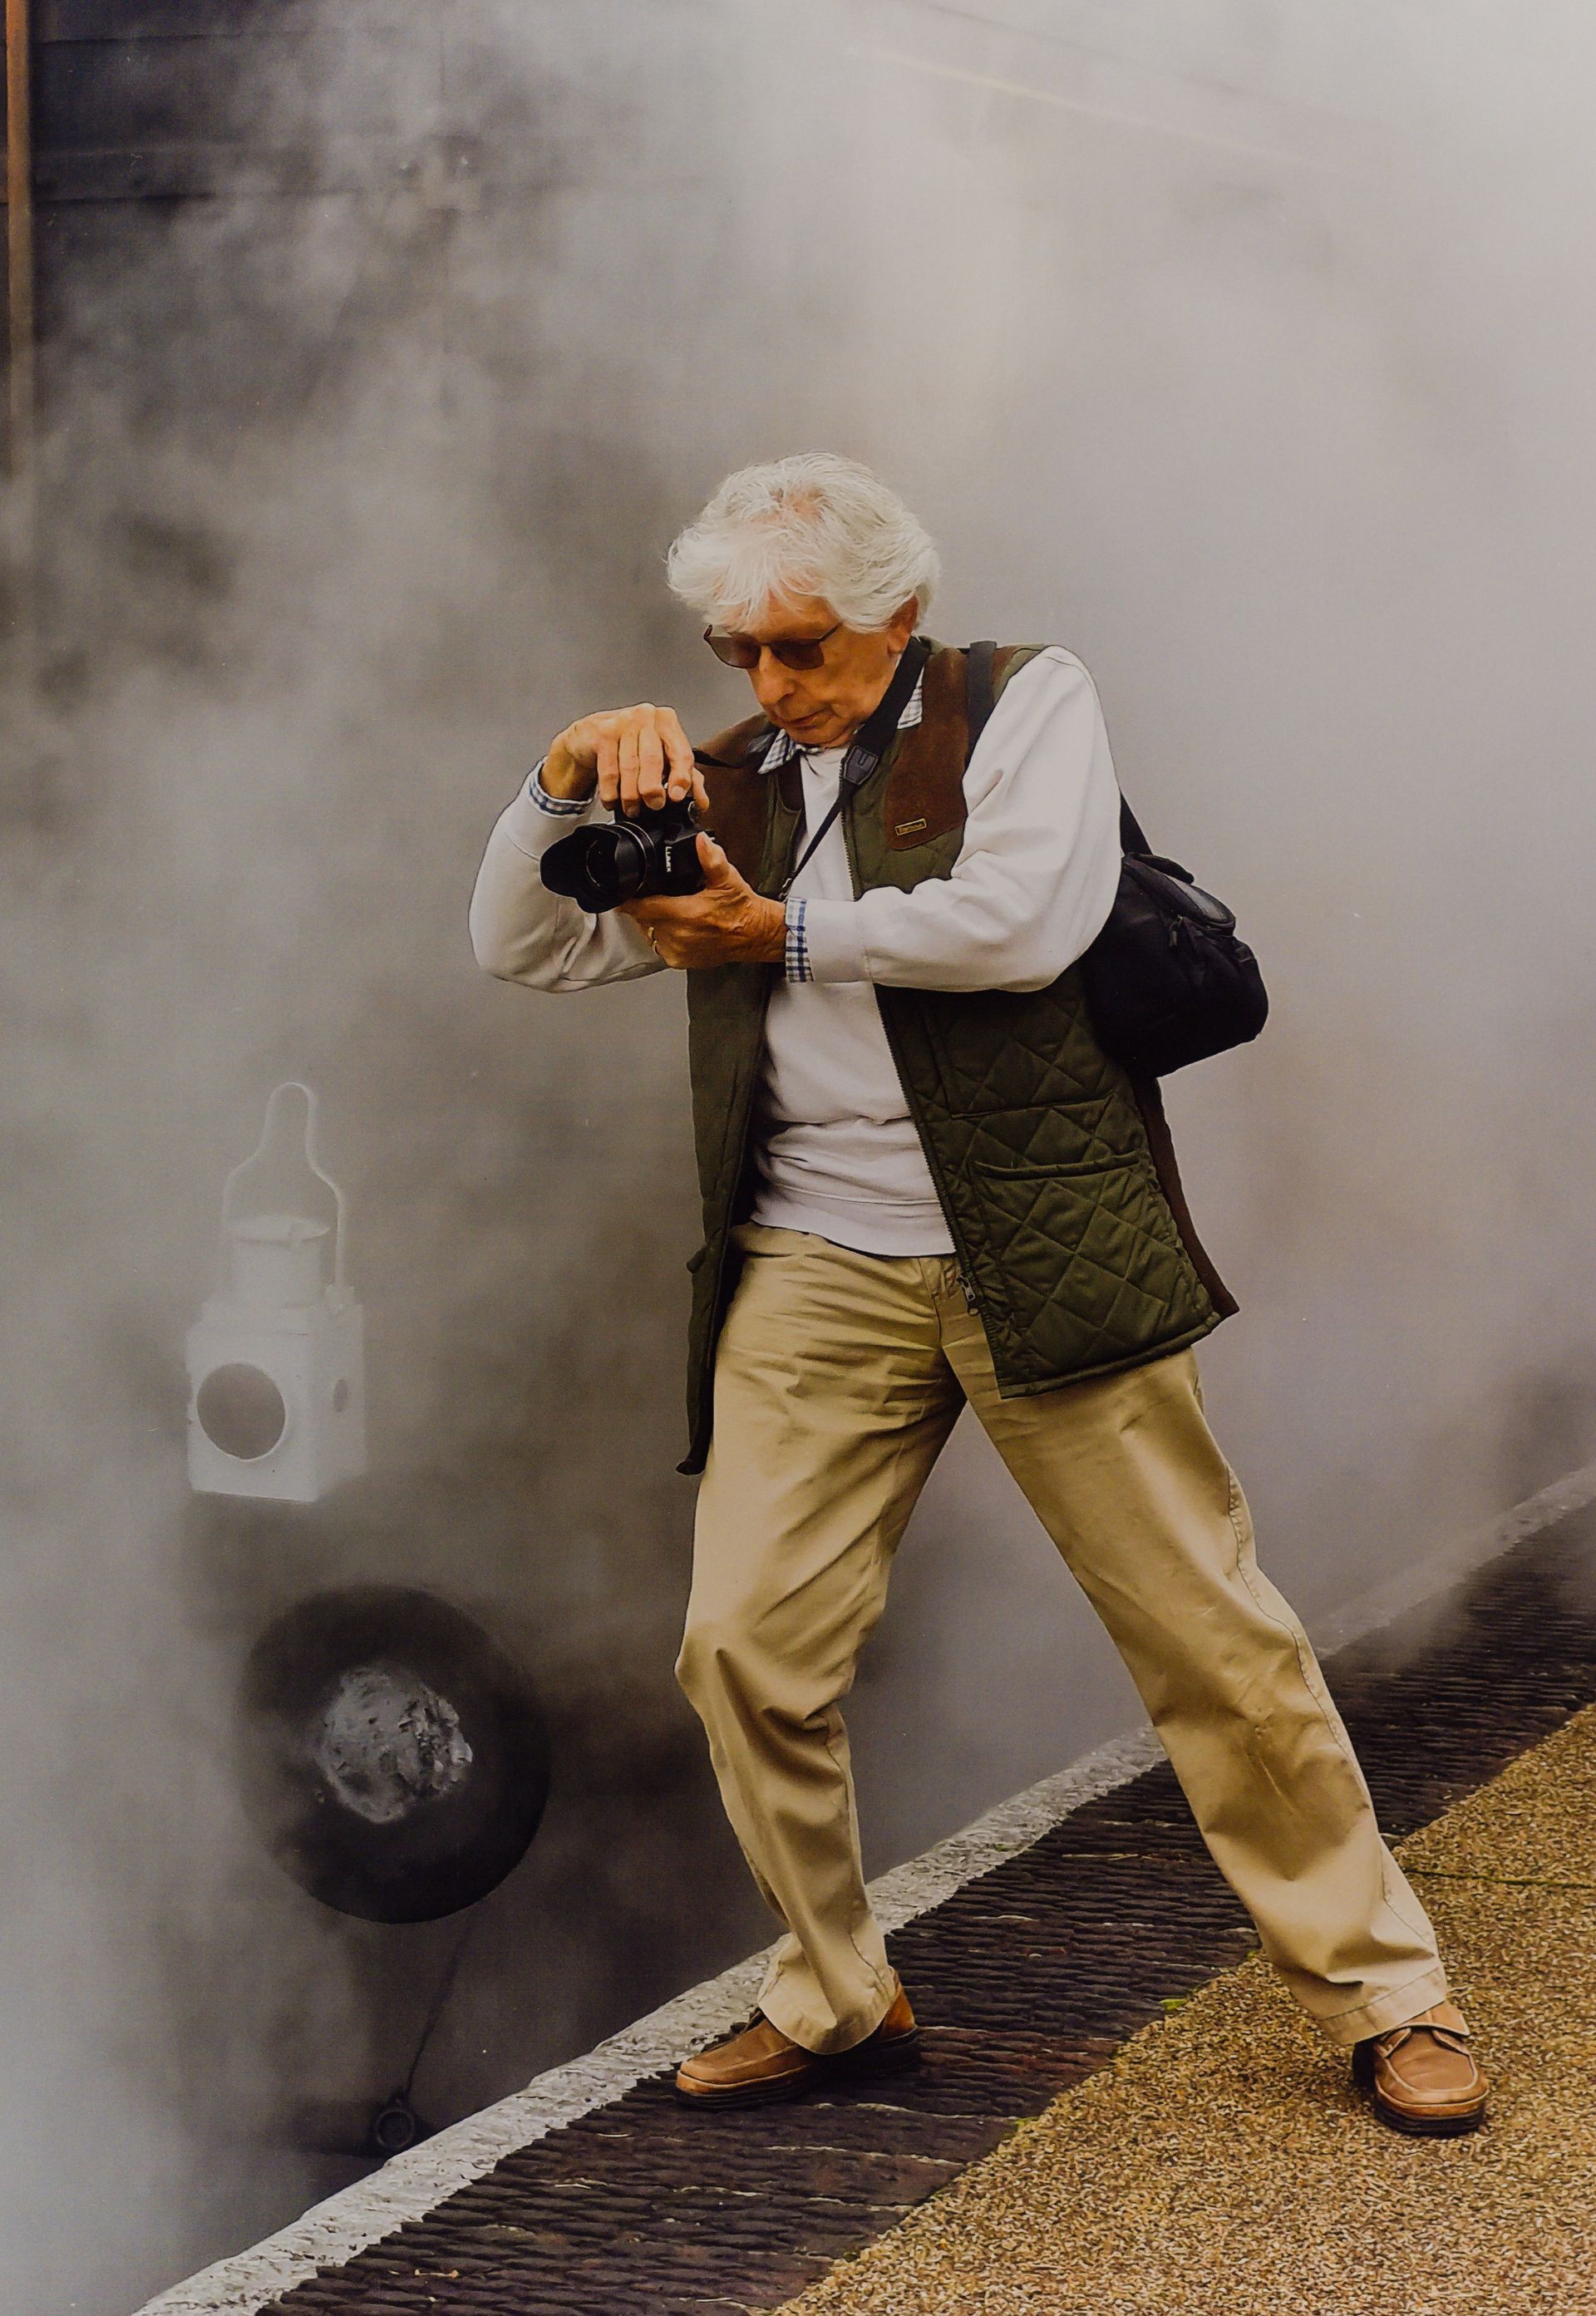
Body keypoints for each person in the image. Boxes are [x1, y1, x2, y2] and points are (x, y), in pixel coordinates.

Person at [470, 452, 1487, 2136]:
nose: (770, 685)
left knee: (1210, 1637)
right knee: (740, 1649)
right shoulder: (721, 779)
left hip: (1035, 1232)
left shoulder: (1023, 700)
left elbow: (1021, 920)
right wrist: (556, 779)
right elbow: (522, 947)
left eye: (802, 647)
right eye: (737, 652)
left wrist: (775, 937)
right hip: (811, 1259)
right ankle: (837, 1993)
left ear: (902, 613)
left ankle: (1393, 1992)